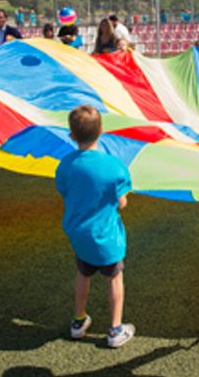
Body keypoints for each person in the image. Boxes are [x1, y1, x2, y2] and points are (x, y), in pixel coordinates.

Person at [55, 105, 135, 347]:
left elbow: (65, 191)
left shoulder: (66, 165)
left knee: (83, 273)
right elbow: (122, 203)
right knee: (114, 277)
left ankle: (78, 321)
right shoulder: (114, 167)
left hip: (79, 234)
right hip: (106, 236)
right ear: (101, 131)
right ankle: (115, 330)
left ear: (71, 135)